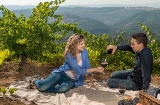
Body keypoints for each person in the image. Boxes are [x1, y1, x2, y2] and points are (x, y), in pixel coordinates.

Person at [27, 33, 104, 93]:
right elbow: (79, 71)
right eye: (81, 44)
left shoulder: (84, 52)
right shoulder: (69, 55)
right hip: (61, 74)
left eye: (84, 43)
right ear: (75, 44)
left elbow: (88, 66)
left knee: (63, 89)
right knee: (42, 86)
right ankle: (36, 81)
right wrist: (96, 69)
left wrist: (92, 82)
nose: (84, 45)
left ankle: (42, 86)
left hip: (72, 80)